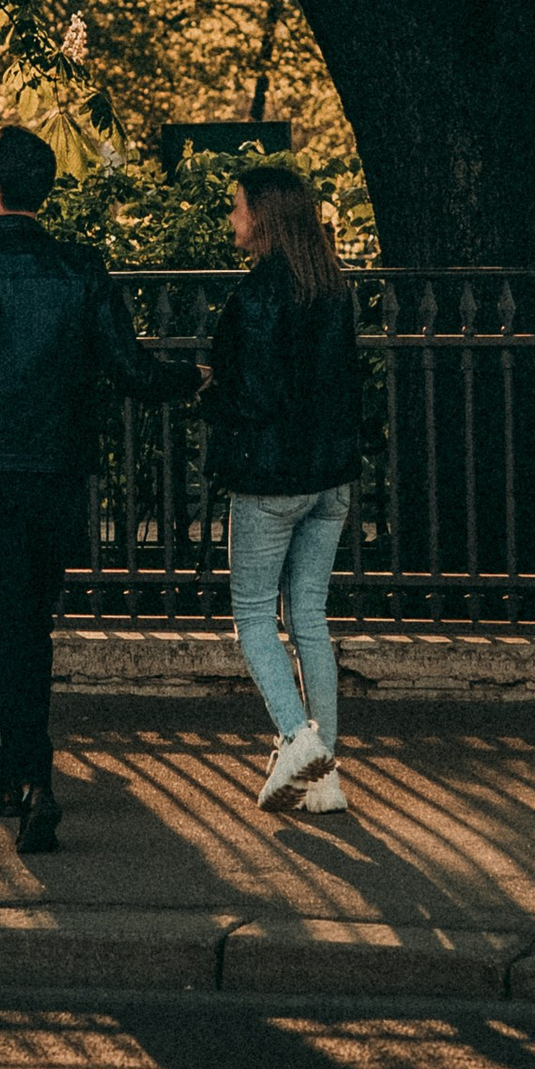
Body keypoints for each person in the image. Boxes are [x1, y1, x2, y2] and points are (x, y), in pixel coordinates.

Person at [0, 121, 199, 855]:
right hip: (59, 466)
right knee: (35, 614)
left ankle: (29, 773)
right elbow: (128, 368)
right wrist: (191, 377)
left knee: (5, 622)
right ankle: (18, 765)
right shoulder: (81, 269)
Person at [200, 151, 363, 817]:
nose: (232, 216)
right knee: (311, 620)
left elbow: (256, 396)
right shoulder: (333, 288)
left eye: (238, 205)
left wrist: (212, 392)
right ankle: (323, 778)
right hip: (331, 476)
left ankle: (298, 740)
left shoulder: (255, 297)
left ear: (263, 217)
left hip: (271, 476)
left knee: (251, 617)